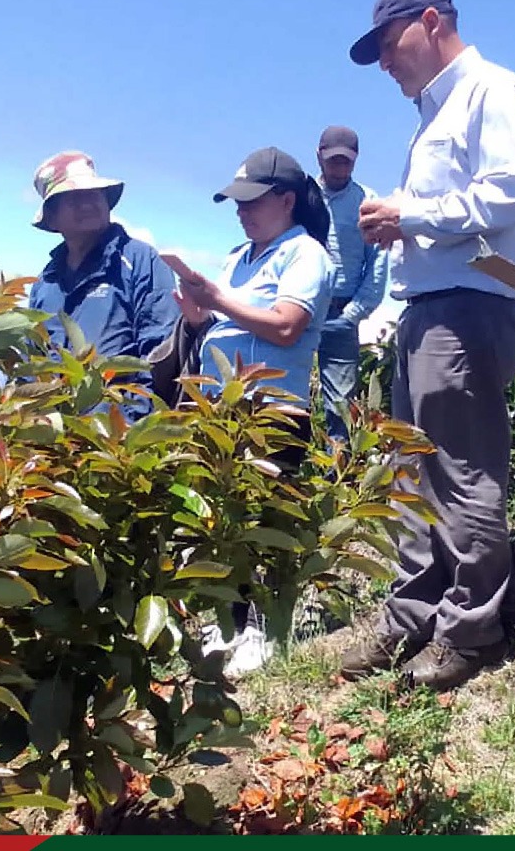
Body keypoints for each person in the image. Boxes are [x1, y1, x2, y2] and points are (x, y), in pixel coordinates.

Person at [339, 0, 515, 692]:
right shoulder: (435, 112)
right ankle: (410, 617)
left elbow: (508, 190)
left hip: (469, 305)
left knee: (458, 471)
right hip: (430, 306)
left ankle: (470, 628)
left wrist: (410, 216)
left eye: (389, 45)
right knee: (410, 473)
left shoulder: (492, 90)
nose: (385, 64)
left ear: (430, 22)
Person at [148, 146, 336, 678]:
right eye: (236, 202)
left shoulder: (305, 255)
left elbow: (284, 326)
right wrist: (197, 307)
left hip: (272, 407)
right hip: (223, 407)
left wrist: (218, 300)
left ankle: (265, 627)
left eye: (252, 201)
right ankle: (232, 620)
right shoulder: (240, 255)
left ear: (287, 200)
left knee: (267, 517)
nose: (241, 211)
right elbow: (218, 320)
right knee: (225, 516)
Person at [26, 150, 179, 422]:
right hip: (54, 440)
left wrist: (131, 427)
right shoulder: (45, 283)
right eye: (73, 198)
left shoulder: (140, 261)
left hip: (117, 438)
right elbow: (32, 363)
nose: (87, 204)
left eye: (94, 194)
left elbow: (161, 356)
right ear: (52, 218)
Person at [313, 125, 389, 444]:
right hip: (298, 311)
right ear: (319, 158)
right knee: (283, 396)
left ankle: (339, 485)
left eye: (346, 161)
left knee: (341, 410)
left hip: (342, 314)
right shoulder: (301, 197)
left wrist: (354, 313)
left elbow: (379, 262)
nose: (340, 168)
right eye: (334, 161)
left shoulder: (368, 202)